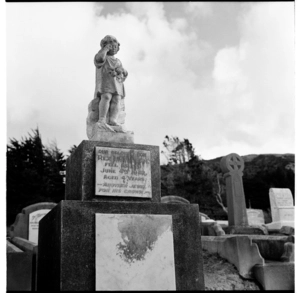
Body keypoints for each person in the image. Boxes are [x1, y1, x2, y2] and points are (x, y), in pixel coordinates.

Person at [94, 35, 128, 132]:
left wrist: (122, 71)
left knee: (116, 99)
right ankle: (102, 119)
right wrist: (104, 50)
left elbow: (123, 72)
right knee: (106, 97)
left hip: (117, 83)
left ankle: (113, 119)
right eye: (111, 46)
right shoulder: (102, 56)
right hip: (106, 82)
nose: (113, 48)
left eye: (115, 47)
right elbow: (99, 60)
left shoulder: (118, 61)